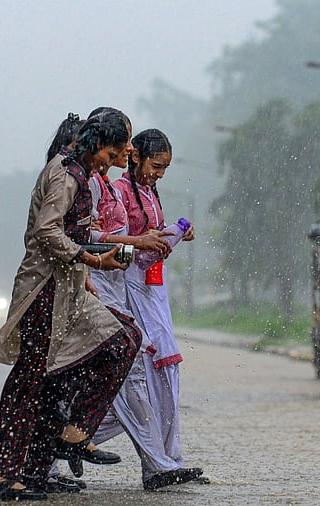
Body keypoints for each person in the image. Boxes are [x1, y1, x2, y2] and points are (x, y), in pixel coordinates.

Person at [0, 109, 141, 502]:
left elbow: (74, 231)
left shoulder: (82, 173)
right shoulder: (66, 173)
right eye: (113, 152)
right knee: (30, 383)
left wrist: (92, 263)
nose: (114, 161)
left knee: (121, 341)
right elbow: (46, 230)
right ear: (96, 144)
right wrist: (91, 260)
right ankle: (4, 475)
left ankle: (68, 440)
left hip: (68, 290)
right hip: (44, 294)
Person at [87, 128, 204, 490]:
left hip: (154, 291)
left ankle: (168, 460)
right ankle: (65, 442)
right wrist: (142, 244)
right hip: (127, 290)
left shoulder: (147, 192)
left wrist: (172, 234)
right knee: (139, 381)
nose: (159, 174)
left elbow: (142, 242)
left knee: (162, 380)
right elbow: (108, 246)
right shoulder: (114, 191)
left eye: (165, 168)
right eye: (156, 165)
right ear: (132, 155)